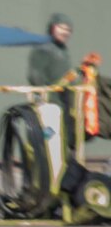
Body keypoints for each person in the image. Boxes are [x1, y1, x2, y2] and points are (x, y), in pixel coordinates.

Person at [27, 12, 76, 147]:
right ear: (52, 27)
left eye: (68, 30)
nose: (65, 32)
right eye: (61, 28)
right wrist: (44, 99)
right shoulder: (43, 48)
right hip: (48, 102)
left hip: (64, 103)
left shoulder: (63, 50)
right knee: (48, 138)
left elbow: (64, 76)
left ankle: (63, 165)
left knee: (64, 138)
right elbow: (35, 76)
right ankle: (42, 164)